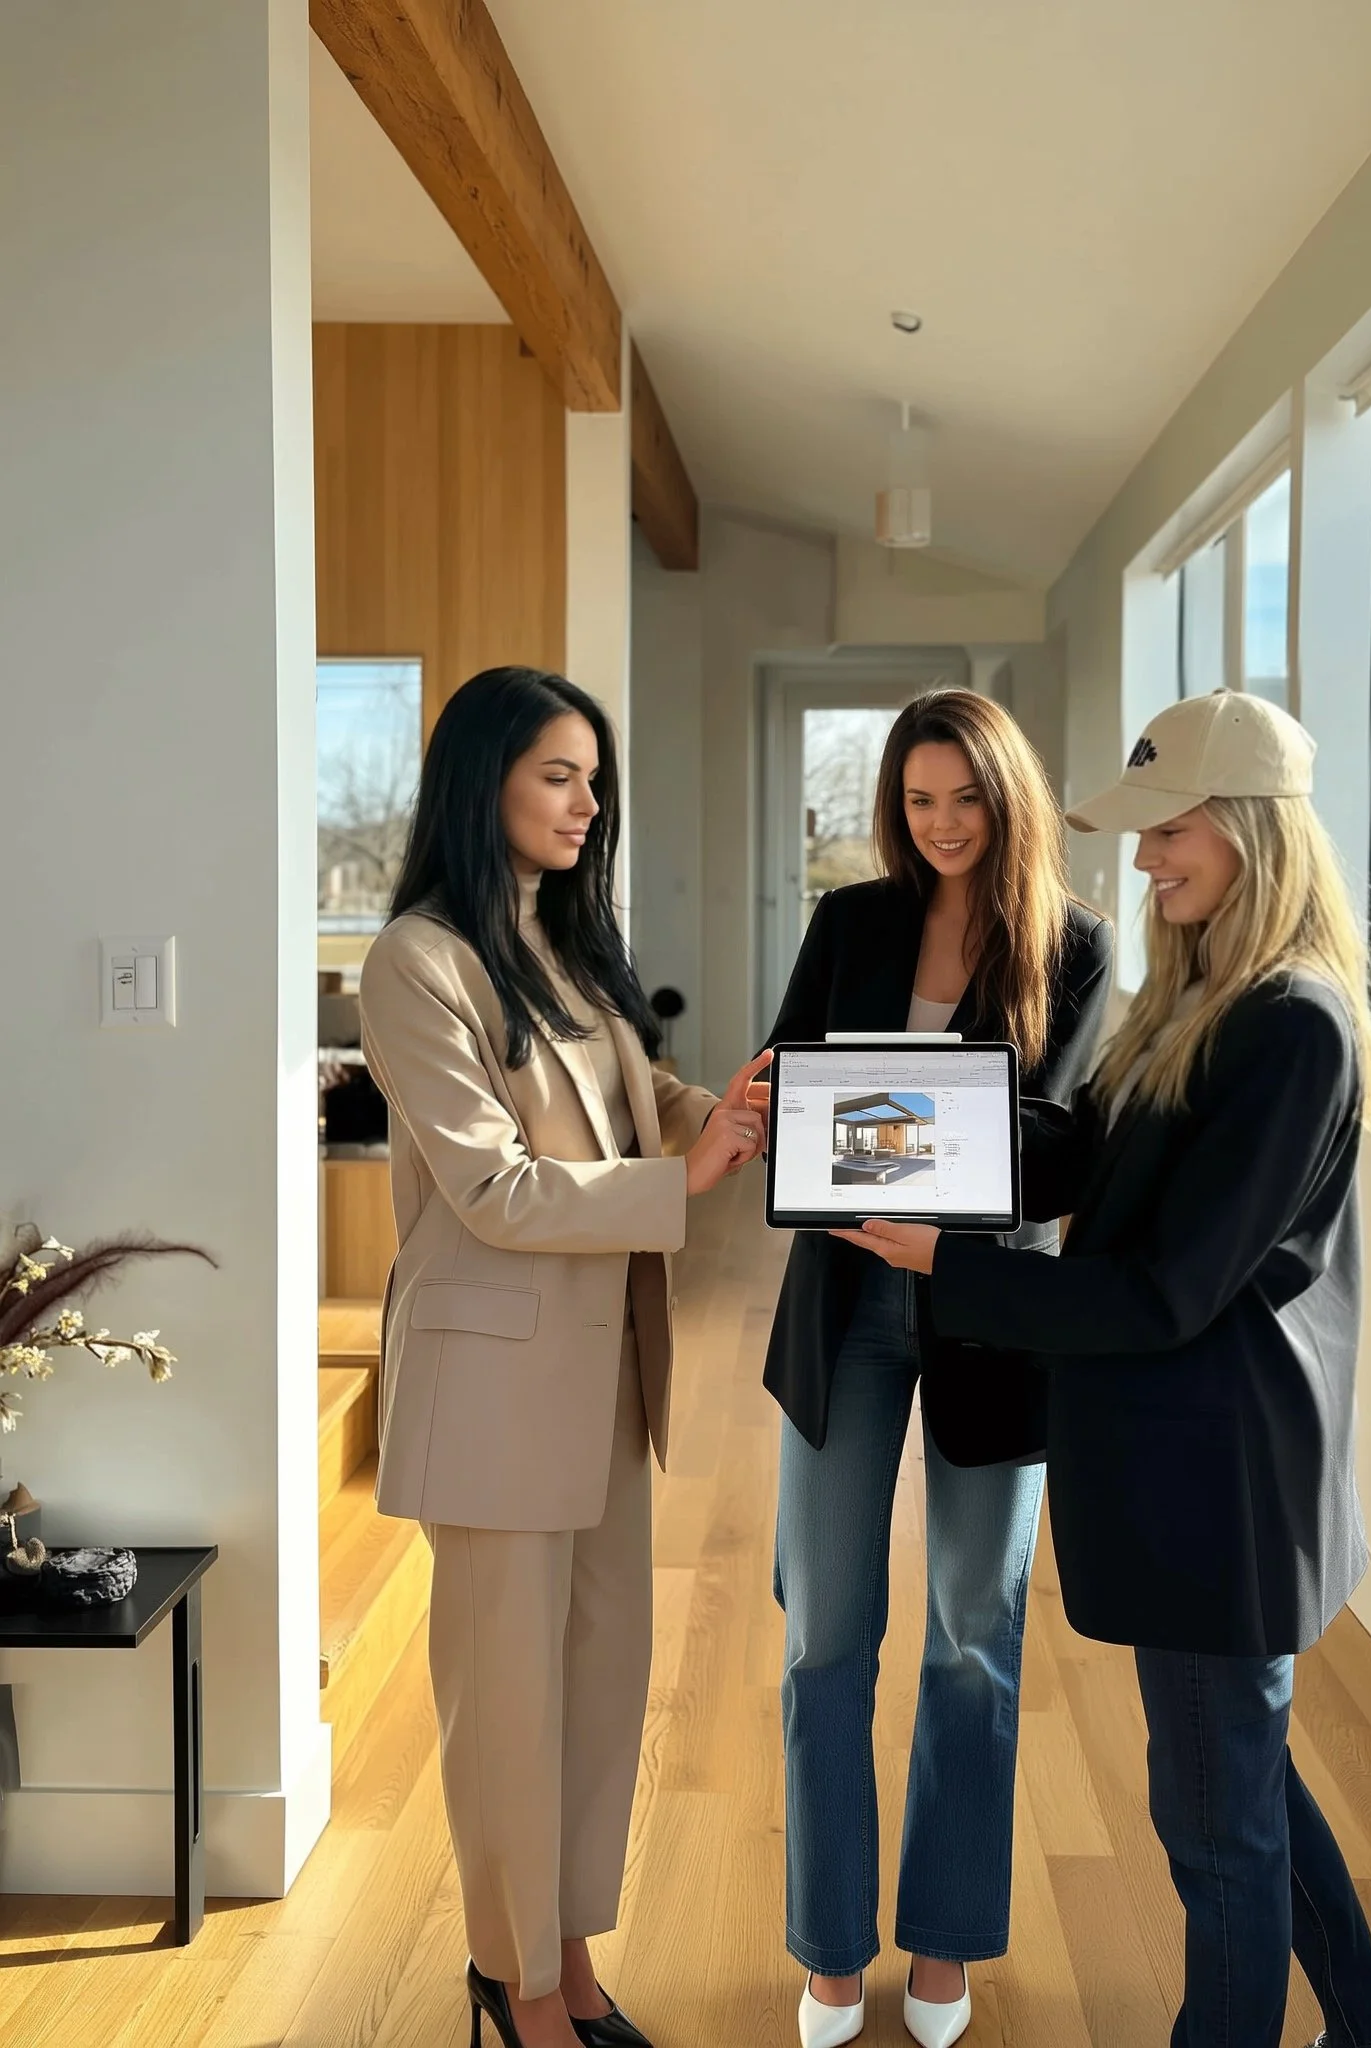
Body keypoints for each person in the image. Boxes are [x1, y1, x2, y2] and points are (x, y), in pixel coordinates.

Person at [836, 690, 1371, 2048]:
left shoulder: (1292, 1026)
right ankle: (1369, 2031)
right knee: (1243, 1783)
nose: (1145, 862)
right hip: (1187, 1474)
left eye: (1170, 832)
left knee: (1214, 1829)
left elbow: (1164, 1294)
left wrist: (941, 1263)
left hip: (1223, 1484)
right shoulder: (1200, 999)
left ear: (1253, 832)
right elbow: (1071, 1154)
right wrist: (862, 1135)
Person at [359, 667, 769, 2048]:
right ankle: (515, 1983)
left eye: (596, 779)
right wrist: (689, 1179)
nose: (589, 803)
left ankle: (575, 1961)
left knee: (596, 1693)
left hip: (604, 1380)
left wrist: (746, 1114)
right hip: (490, 1396)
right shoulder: (417, 960)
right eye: (559, 775)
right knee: (508, 1714)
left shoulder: (566, 943)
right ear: (486, 782)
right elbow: (495, 1187)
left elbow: (643, 1099)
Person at [762, 690, 1113, 2048]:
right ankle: (831, 1950)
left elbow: (1063, 1148)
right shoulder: (848, 923)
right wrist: (780, 1104)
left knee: (974, 1640)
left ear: (1006, 798)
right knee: (824, 1638)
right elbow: (799, 1086)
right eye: (918, 800)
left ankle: (950, 1942)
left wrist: (893, 1128)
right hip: (843, 1302)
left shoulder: (1076, 950)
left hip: (988, 1315)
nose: (943, 824)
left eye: (965, 797)